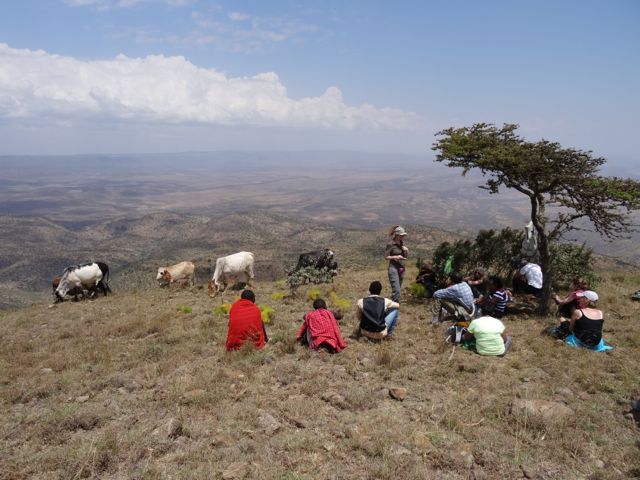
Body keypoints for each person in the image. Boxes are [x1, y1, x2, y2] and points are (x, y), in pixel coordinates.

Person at [385, 226, 408, 302]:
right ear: (397, 235)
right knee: (396, 290)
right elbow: (386, 257)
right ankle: (394, 306)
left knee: (398, 289)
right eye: (401, 235)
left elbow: (405, 257)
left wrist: (406, 251)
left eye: (403, 235)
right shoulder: (390, 244)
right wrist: (396, 257)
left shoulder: (401, 243)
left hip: (401, 268)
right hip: (393, 268)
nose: (403, 236)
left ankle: (392, 303)